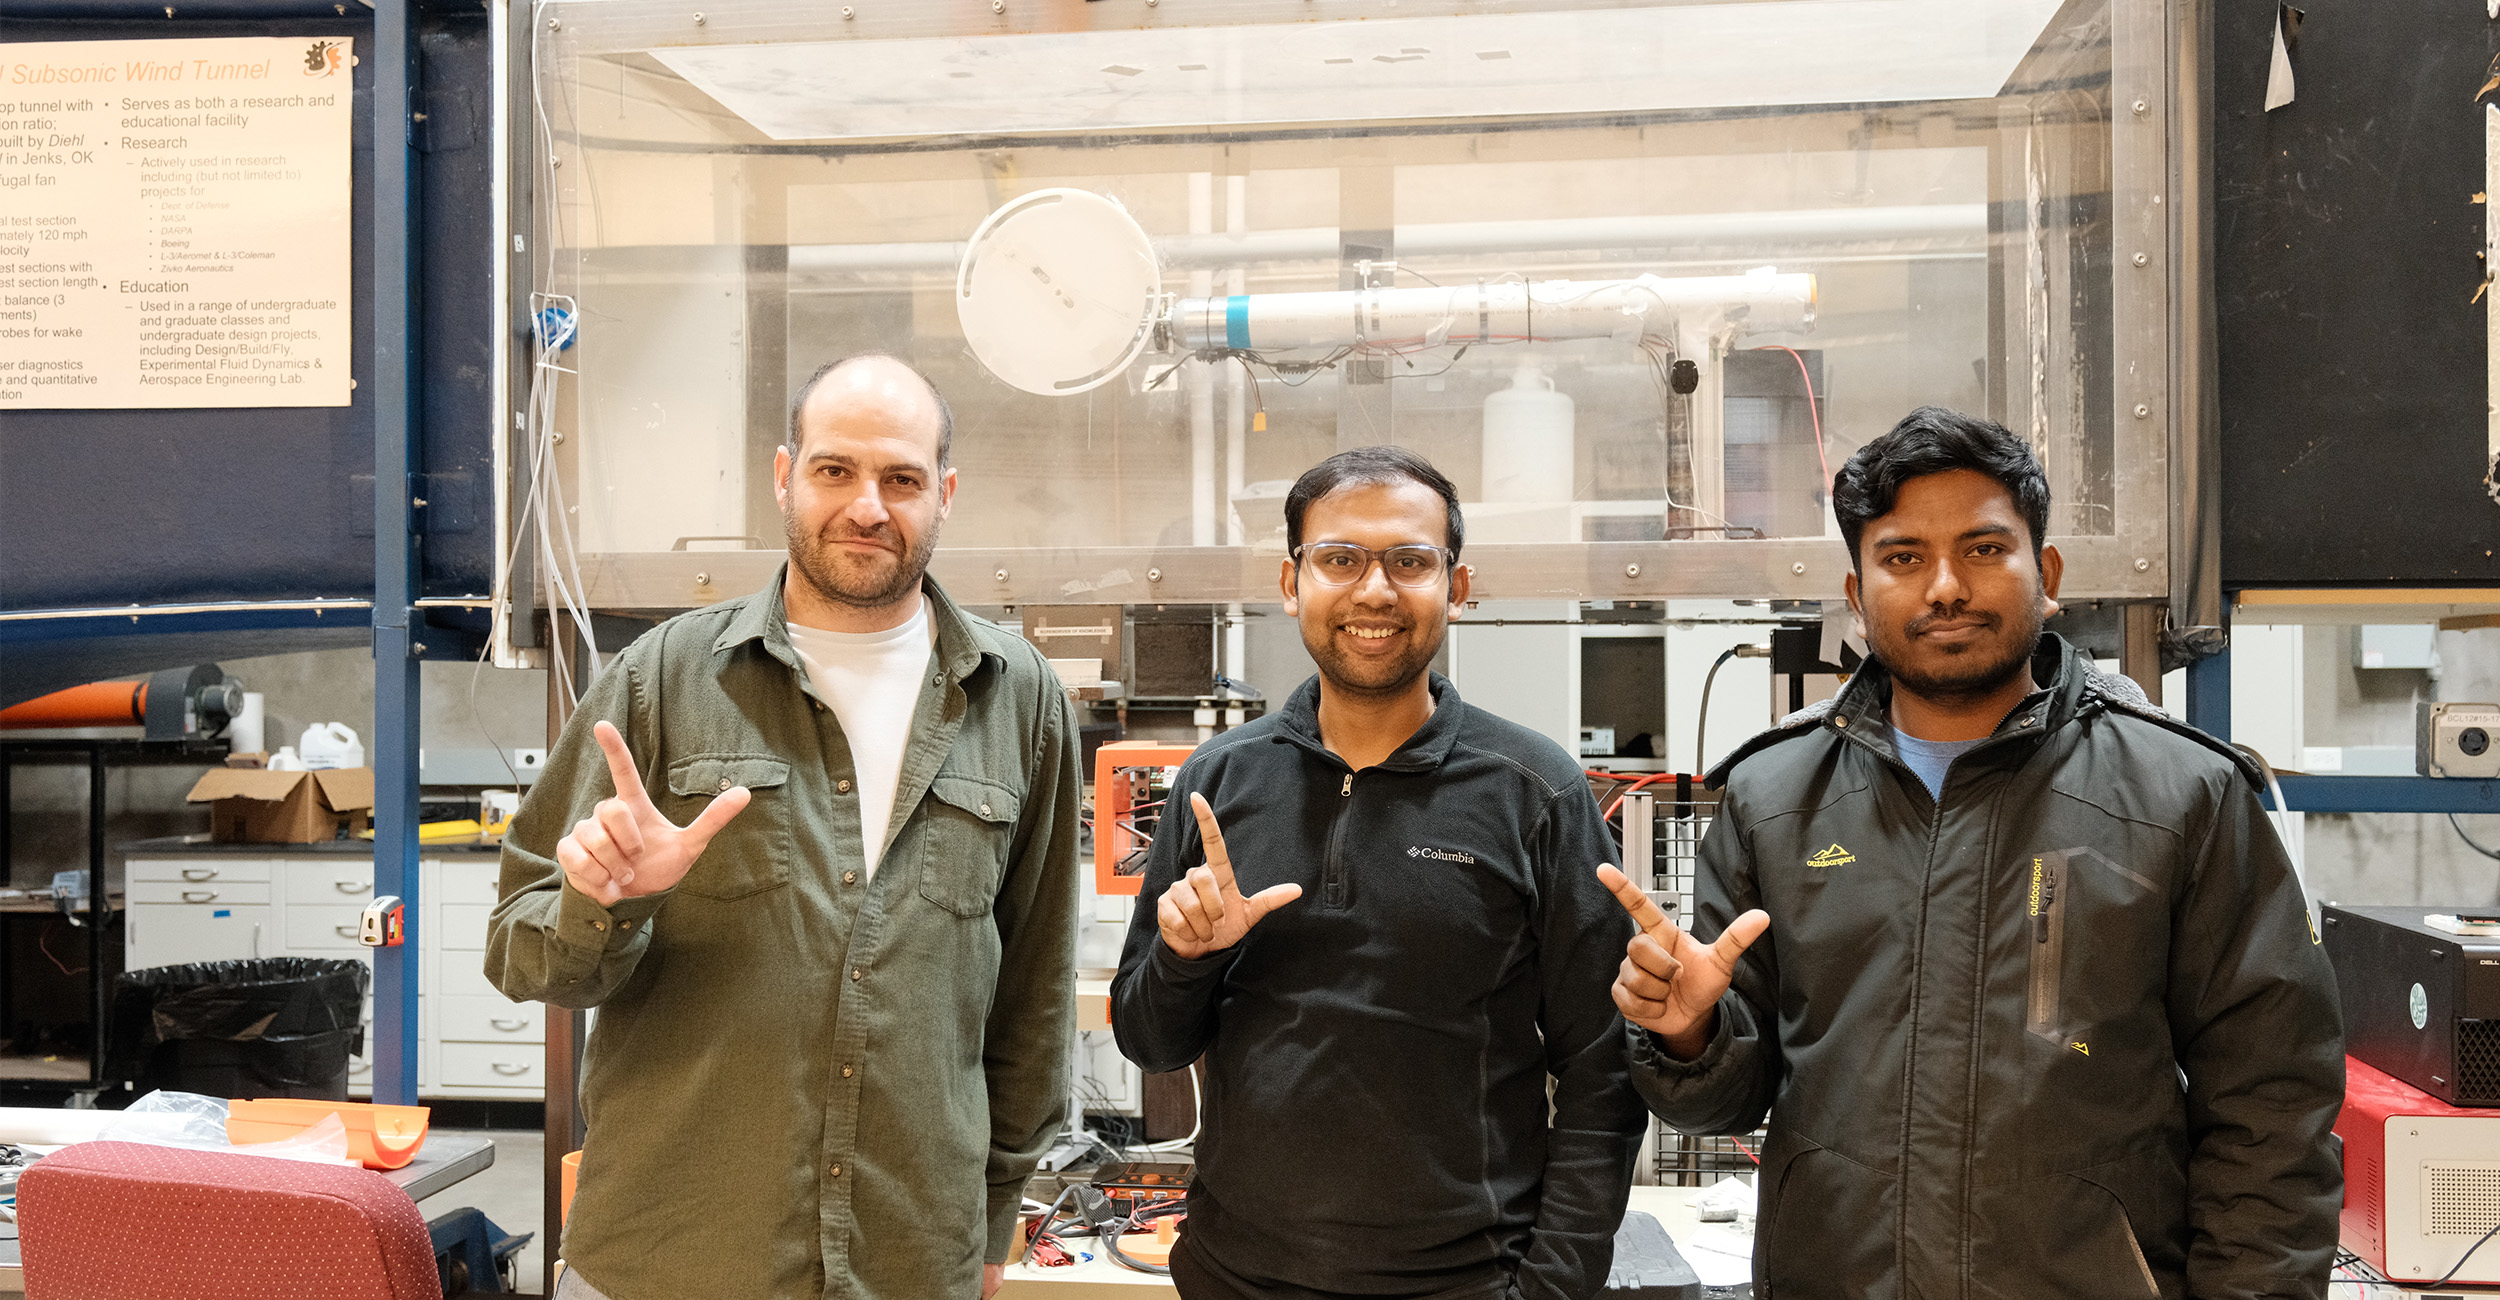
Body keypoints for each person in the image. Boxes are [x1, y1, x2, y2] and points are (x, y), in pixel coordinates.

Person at [1608, 406, 2343, 1299]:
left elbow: (2272, 1107)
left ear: (2049, 575)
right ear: (1856, 593)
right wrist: (1687, 1036)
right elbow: (1726, 1100)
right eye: (1904, 557)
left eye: (1985, 549)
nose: (1945, 586)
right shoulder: (1775, 797)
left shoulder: (2181, 794)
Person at [485, 353, 1081, 1300]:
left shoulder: (1019, 702)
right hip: (670, 1257)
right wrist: (605, 904)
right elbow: (519, 953)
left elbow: (1035, 998)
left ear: (946, 493)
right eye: (835, 470)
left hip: (910, 1258)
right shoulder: (662, 680)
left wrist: (994, 1222)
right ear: (784, 476)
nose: (868, 507)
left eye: (902, 479)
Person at [1112, 446, 1648, 1300]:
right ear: (1292, 583)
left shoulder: (1534, 792)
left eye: (1410, 561)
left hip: (1465, 1281)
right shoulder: (1218, 783)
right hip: (1235, 1276)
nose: (1374, 591)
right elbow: (1148, 1039)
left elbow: (1604, 1068)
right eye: (1340, 559)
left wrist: (1553, 1285)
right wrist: (1187, 960)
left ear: (1456, 588)